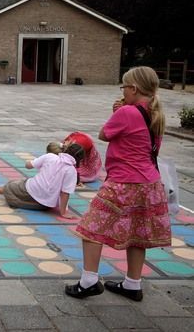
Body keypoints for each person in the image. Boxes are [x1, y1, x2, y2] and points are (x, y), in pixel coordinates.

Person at [65, 66, 170, 301]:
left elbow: (104, 134)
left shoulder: (127, 113)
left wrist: (118, 112)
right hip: (150, 184)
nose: (122, 91)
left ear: (133, 88)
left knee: (91, 228)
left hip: (124, 182)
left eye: (124, 87)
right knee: (138, 234)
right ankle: (133, 284)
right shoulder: (156, 114)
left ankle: (89, 281)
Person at [0, 143, 85, 218]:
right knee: (16, 189)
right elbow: (65, 193)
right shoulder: (72, 171)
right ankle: (15, 200)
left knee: (2, 188)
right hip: (44, 205)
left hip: (29, 189)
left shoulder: (50, 157)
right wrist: (63, 212)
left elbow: (28, 165)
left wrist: (33, 163)